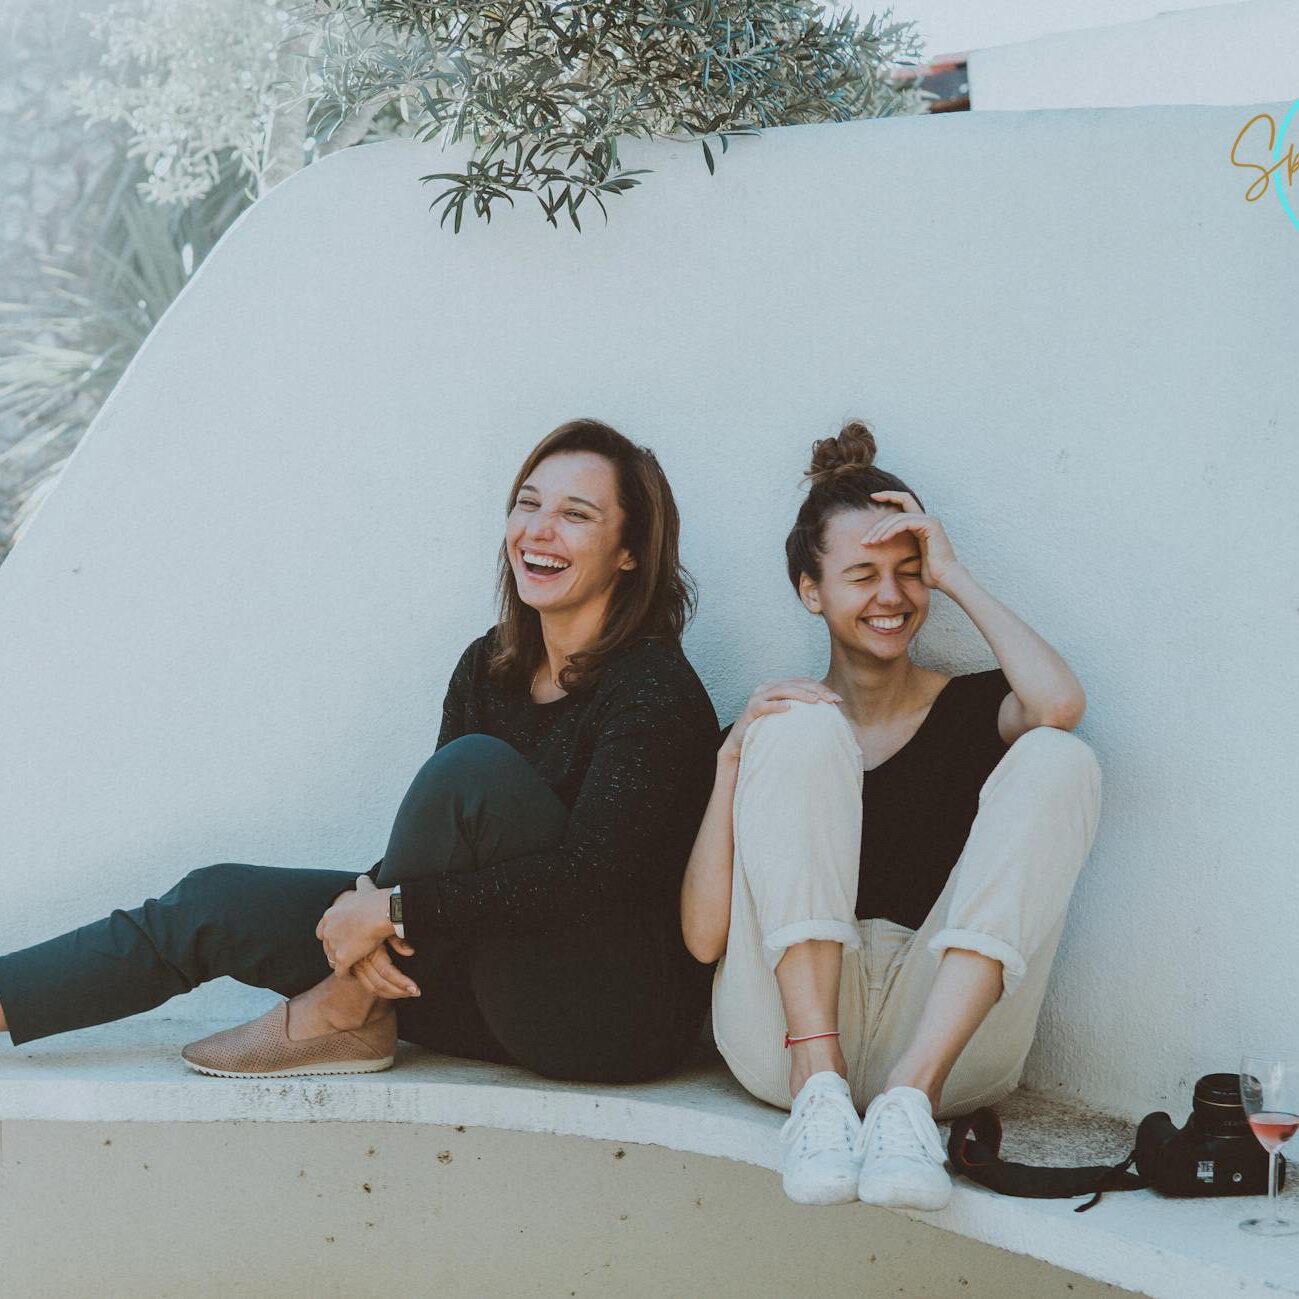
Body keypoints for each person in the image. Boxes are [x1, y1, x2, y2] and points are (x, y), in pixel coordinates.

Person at [0, 418, 719, 1085]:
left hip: (600, 1018)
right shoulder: (488, 666)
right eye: (527, 504)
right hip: (472, 984)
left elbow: (589, 879)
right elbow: (441, 846)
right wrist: (374, 905)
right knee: (212, 900)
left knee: (470, 770)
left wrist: (393, 909)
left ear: (630, 550)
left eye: (576, 515)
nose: (539, 530)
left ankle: (345, 1009)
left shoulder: (652, 687)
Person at [680, 421, 1102, 1209]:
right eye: (862, 573)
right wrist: (730, 760)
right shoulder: (774, 731)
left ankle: (907, 1097)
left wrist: (955, 575)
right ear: (811, 591)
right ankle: (819, 1083)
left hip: (942, 1037)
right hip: (784, 1038)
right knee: (797, 724)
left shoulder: (973, 706)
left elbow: (1059, 703)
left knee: (1058, 754)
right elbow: (703, 936)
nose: (890, 596)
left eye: (908, 574)